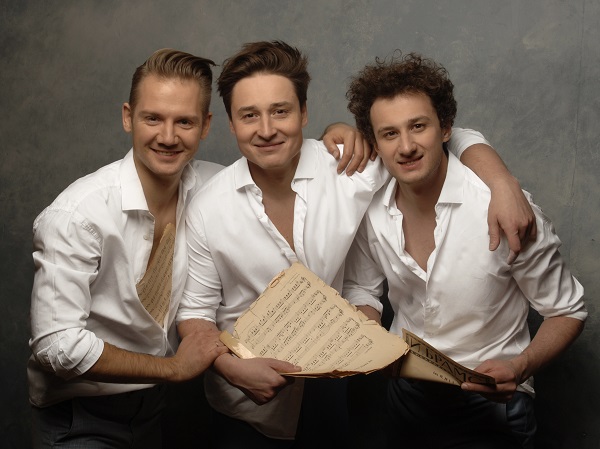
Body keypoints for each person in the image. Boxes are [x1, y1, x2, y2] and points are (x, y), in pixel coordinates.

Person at [176, 40, 535, 449]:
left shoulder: (351, 168)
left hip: (332, 390)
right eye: (249, 115)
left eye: (280, 111)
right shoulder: (207, 206)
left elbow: (439, 133)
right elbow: (194, 313)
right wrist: (231, 369)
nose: (267, 129)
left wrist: (502, 181)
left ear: (304, 113)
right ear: (230, 123)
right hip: (243, 406)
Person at [341, 52, 587, 449]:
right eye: (389, 134)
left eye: (418, 126)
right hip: (405, 398)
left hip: (492, 405)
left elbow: (567, 310)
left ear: (445, 128)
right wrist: (372, 340)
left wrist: (520, 366)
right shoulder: (369, 208)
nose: (406, 146)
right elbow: (361, 289)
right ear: (376, 143)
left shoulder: (504, 208)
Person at [27, 48, 230, 448]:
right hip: (78, 419)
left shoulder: (214, 188)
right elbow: (57, 346)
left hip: (154, 412)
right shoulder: (77, 214)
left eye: (184, 121)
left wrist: (337, 137)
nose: (168, 137)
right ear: (127, 117)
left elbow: (278, 165)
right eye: (152, 118)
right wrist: (174, 368)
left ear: (205, 125)